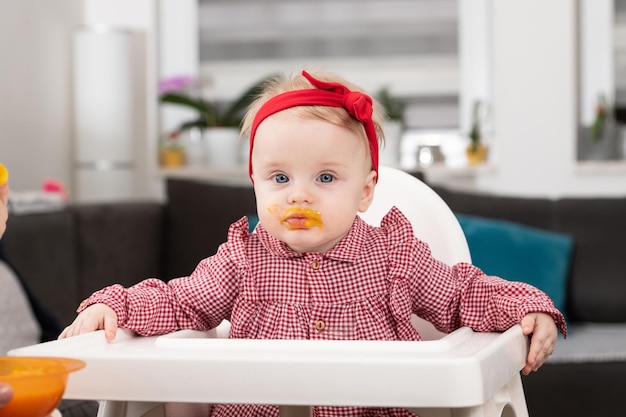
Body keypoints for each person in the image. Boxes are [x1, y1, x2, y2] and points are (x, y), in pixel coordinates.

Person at [60, 69, 566, 417]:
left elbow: (461, 295)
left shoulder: (394, 256)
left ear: (365, 190)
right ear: (254, 183)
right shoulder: (242, 258)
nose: (298, 194)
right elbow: (179, 302)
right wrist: (117, 306)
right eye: (278, 178)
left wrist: (527, 306)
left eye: (325, 178)